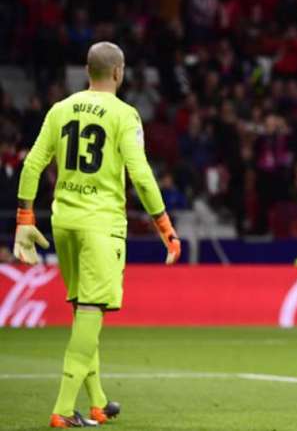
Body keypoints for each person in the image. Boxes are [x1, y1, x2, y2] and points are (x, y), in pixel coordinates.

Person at [13, 41, 182, 428]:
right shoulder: (125, 114)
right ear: (119, 73)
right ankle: (62, 408)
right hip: (101, 225)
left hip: (64, 222)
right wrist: (164, 226)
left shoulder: (60, 109)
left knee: (82, 310)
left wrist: (25, 216)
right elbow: (140, 174)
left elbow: (32, 165)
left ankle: (98, 402)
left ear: (88, 71)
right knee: (91, 310)